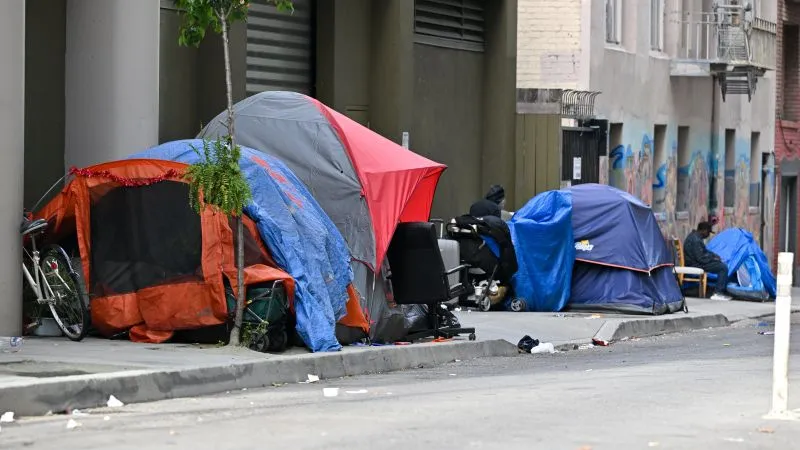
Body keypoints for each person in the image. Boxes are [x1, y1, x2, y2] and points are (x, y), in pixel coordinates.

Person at [683, 221, 731, 301]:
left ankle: (718, 291)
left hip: (695, 262)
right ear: (704, 230)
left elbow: (704, 251)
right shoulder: (696, 240)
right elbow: (701, 258)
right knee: (723, 267)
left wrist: (714, 256)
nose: (708, 235)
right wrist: (714, 259)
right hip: (695, 264)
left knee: (720, 264)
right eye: (708, 232)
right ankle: (718, 293)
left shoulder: (695, 237)